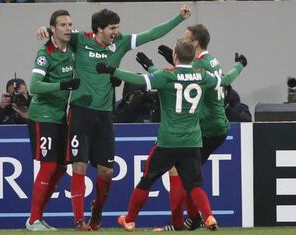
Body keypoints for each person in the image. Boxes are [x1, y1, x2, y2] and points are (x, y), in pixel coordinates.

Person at [37, 5, 191, 231]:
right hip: (80, 110)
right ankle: (79, 221)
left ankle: (97, 210)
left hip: (105, 114)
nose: (116, 32)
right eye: (112, 28)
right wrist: (44, 30)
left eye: (117, 27)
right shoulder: (81, 40)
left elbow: (152, 34)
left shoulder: (121, 42)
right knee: (78, 165)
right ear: (98, 29)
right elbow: (58, 35)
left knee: (106, 171)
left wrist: (178, 18)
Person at [96, 39, 247, 231]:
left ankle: (130, 219)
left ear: (175, 56)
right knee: (194, 184)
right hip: (192, 140)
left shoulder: (166, 76)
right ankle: (209, 217)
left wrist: (112, 70)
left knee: (147, 179)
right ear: (192, 57)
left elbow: (139, 80)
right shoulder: (202, 75)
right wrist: (239, 64)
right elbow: (226, 80)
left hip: (168, 140)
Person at [153, 24, 248, 231]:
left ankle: (184, 223)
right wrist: (239, 65)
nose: (183, 40)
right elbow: (214, 78)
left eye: (186, 38)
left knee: (180, 170)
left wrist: (168, 63)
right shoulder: (210, 60)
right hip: (217, 126)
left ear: (195, 42)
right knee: (186, 172)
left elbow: (188, 76)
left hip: (208, 128)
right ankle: (193, 219)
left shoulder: (200, 65)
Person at [25, 10, 80, 231]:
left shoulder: (72, 47)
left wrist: (46, 28)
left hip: (61, 116)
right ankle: (33, 219)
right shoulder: (44, 53)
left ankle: (38, 217)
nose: (68, 28)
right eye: (63, 25)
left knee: (60, 168)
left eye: (70, 24)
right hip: (43, 115)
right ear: (53, 29)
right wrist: (62, 86)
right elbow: (34, 86)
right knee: (48, 166)